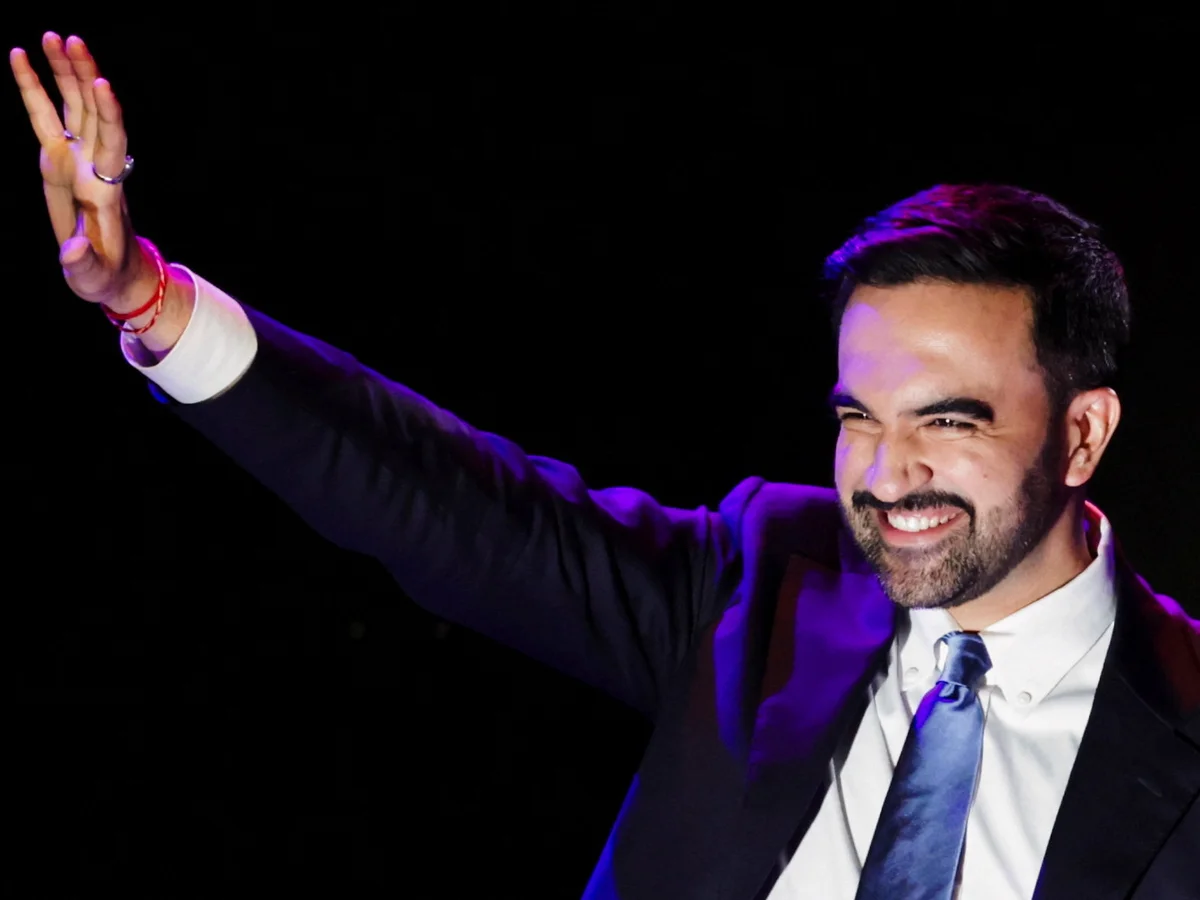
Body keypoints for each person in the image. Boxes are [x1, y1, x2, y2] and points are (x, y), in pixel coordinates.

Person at [11, 32, 1198, 900]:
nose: (886, 477)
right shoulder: (765, 578)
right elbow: (447, 505)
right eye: (857, 417)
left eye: (948, 423)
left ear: (1083, 434)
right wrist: (149, 301)